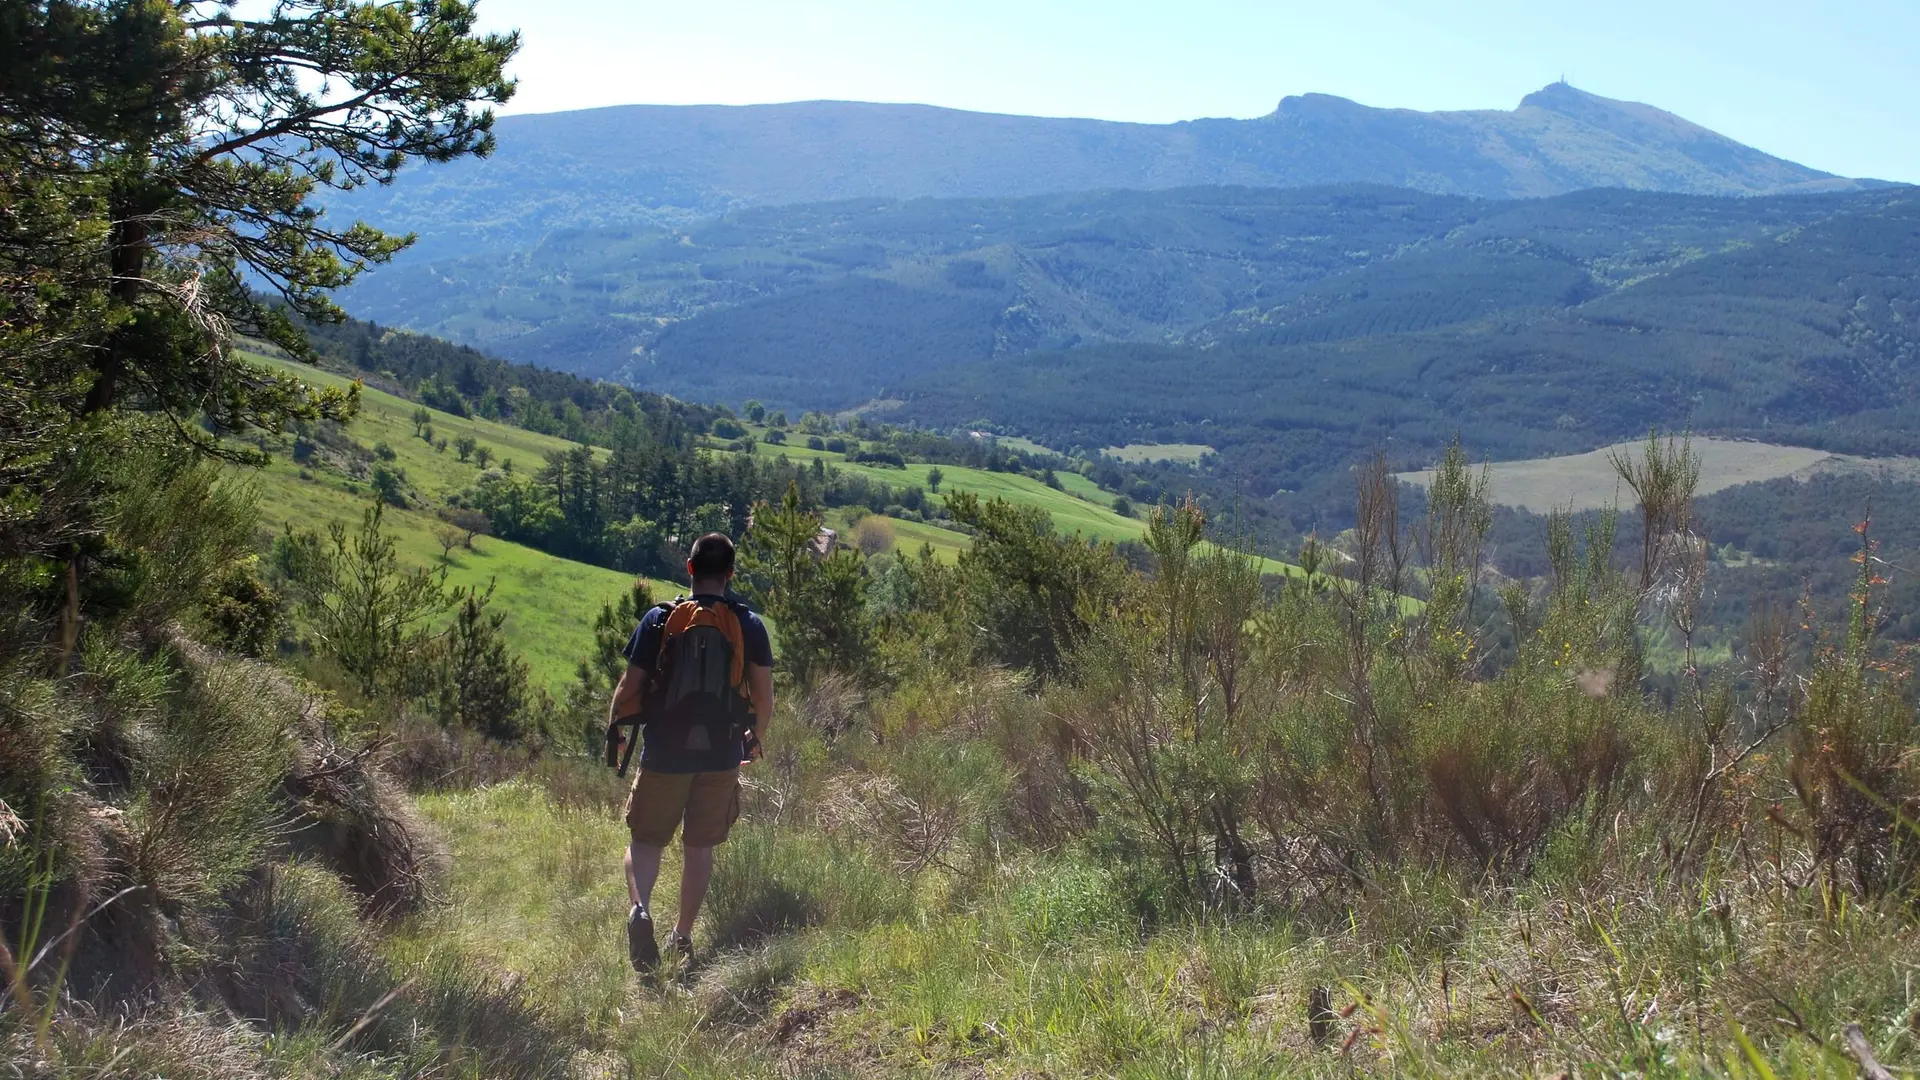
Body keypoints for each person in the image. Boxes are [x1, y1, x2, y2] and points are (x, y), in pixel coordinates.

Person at [608, 533, 774, 971]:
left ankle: (640, 908)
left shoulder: (660, 618)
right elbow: (763, 698)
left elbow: (631, 687)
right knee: (699, 848)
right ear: (731, 574)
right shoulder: (750, 625)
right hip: (720, 753)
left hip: (665, 749)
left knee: (645, 840)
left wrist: (616, 729)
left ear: (690, 568)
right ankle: (682, 936)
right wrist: (751, 741)